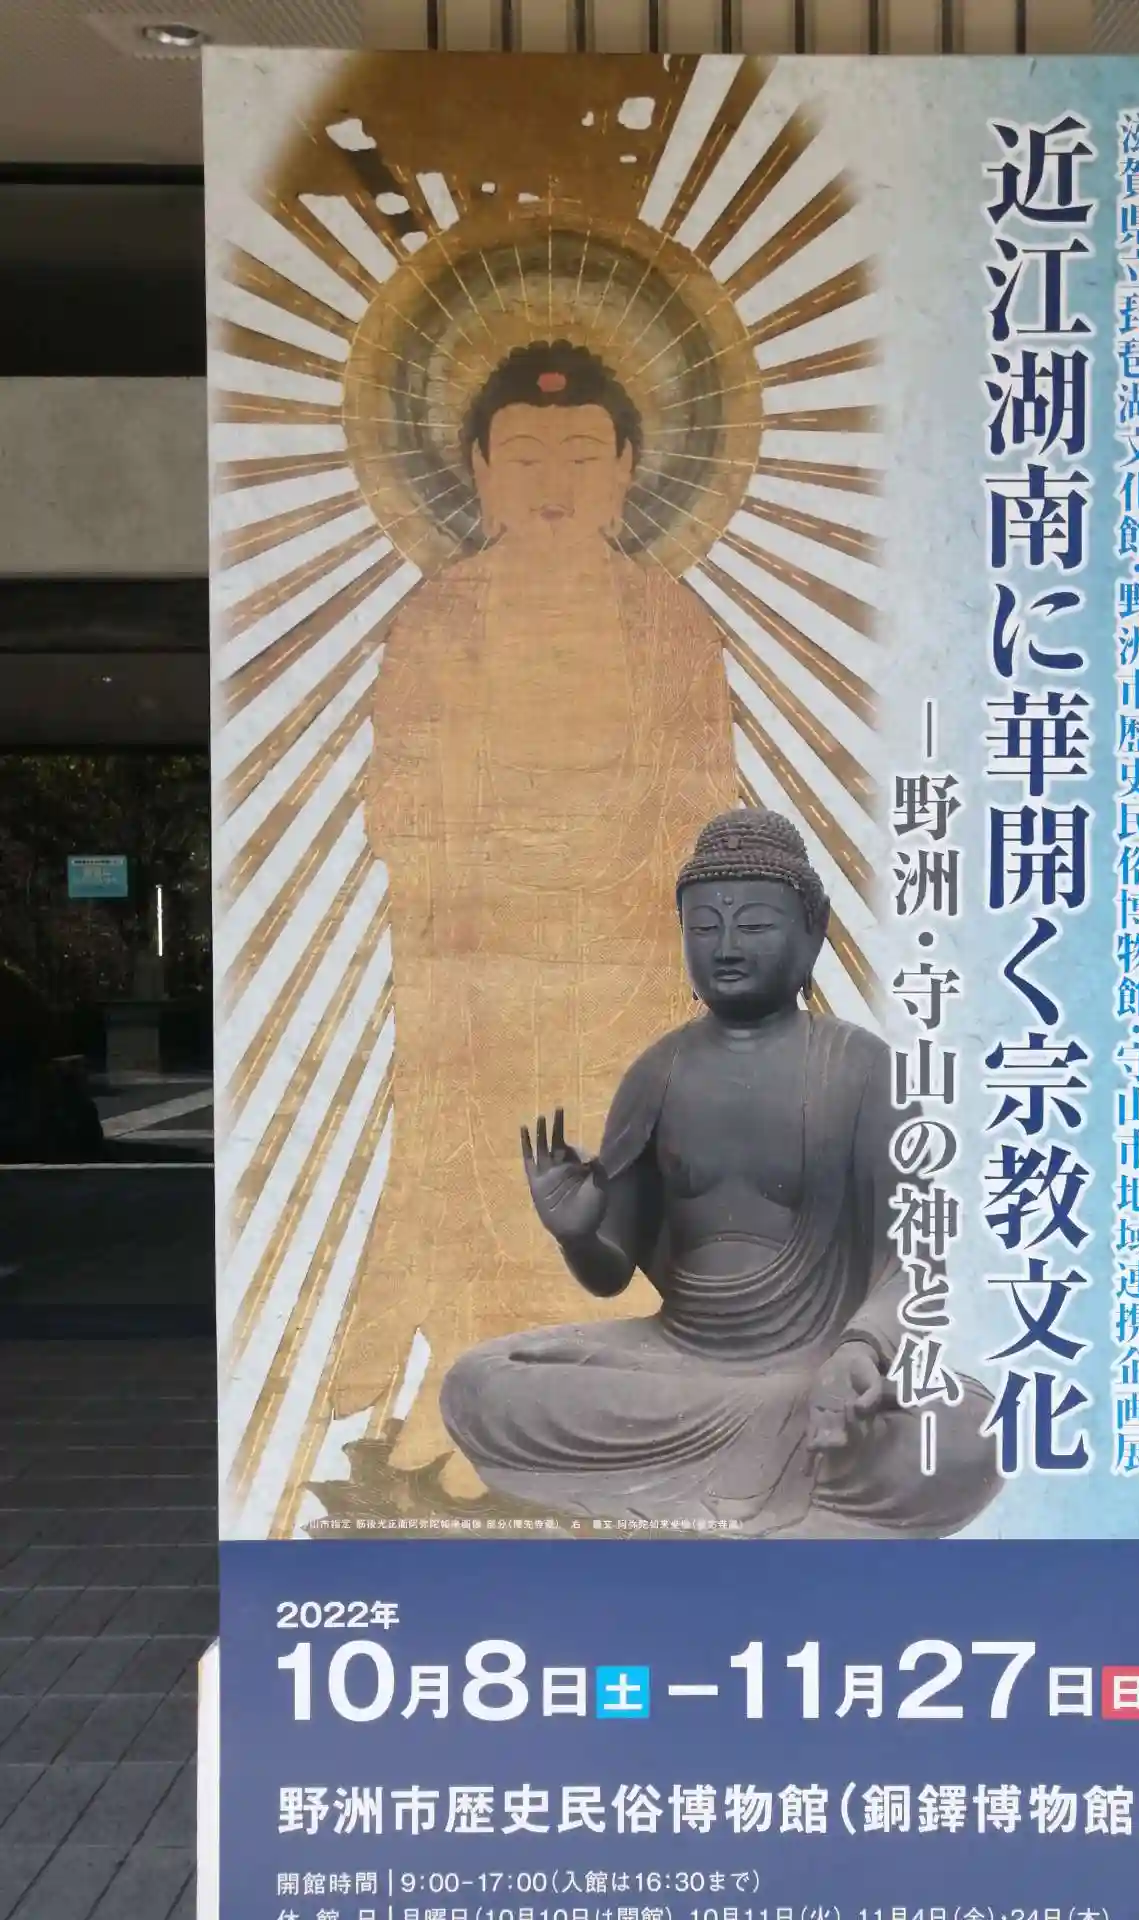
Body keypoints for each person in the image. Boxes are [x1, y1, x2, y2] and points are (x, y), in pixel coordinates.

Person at [334, 341, 737, 1494]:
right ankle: (479, 1401)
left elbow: (704, 800)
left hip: (624, 965)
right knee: (481, 1177)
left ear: (627, 468)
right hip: (483, 970)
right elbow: (398, 799)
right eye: (521, 455)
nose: (552, 481)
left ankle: (609, 1406)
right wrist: (476, 879)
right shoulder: (436, 621)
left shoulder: (669, 624)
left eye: (580, 452)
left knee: (619, 1177)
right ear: (476, 470)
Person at [440, 808, 1002, 1537]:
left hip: (822, 1361)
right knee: (479, 1384)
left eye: (755, 926)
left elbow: (916, 1262)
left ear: (814, 931)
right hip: (682, 1357)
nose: (727, 947)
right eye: (704, 928)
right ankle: (784, 1462)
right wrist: (578, 1235)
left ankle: (743, 1466)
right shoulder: (659, 1072)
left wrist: (861, 1352)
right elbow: (610, 1275)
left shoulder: (863, 1070)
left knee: (971, 1431)